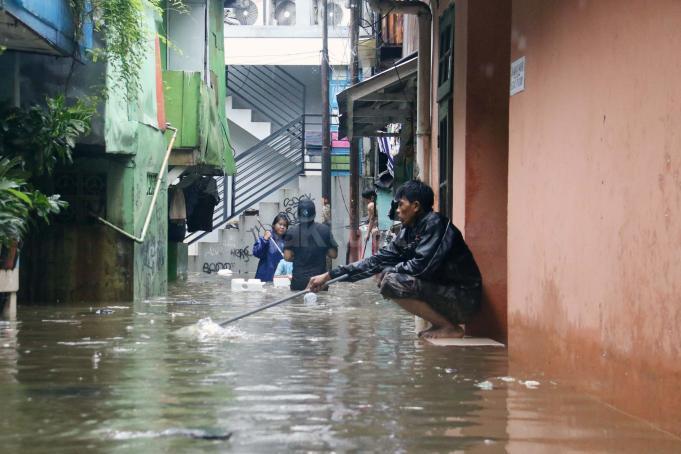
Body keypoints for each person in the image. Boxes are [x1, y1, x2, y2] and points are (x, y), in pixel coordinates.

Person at [308, 180, 482, 339]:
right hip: (444, 295)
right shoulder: (409, 231)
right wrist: (329, 276)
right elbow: (376, 261)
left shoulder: (435, 224)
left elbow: (421, 268)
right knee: (388, 276)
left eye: (400, 204)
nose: (397, 210)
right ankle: (441, 324)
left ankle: (448, 327)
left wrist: (390, 270)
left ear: (415, 206)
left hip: (464, 299)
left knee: (391, 280)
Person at [284, 199, 339, 290]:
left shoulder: (291, 232)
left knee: (298, 304)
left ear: (298, 214)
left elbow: (287, 257)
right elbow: (333, 254)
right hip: (319, 282)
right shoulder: (325, 230)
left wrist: (299, 256)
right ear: (314, 213)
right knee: (321, 303)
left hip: (299, 282)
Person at [252, 214, 289, 282]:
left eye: (285, 225)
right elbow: (257, 253)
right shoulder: (266, 238)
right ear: (274, 225)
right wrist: (265, 240)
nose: (282, 227)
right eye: (280, 224)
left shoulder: (287, 241)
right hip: (265, 276)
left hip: (281, 277)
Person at [361, 189, 379, 257]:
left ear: (371, 198)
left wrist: (367, 234)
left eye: (365, 199)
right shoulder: (376, 204)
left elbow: (372, 219)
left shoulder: (371, 205)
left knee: (374, 253)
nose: (364, 201)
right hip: (378, 230)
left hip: (375, 231)